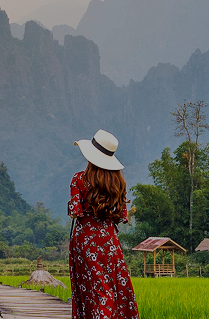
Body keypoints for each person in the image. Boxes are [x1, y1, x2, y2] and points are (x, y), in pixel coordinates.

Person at [68, 129, 139, 319]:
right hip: (108, 241)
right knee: (109, 286)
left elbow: (75, 212)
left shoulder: (78, 179)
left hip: (85, 241)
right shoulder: (118, 183)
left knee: (91, 287)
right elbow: (121, 215)